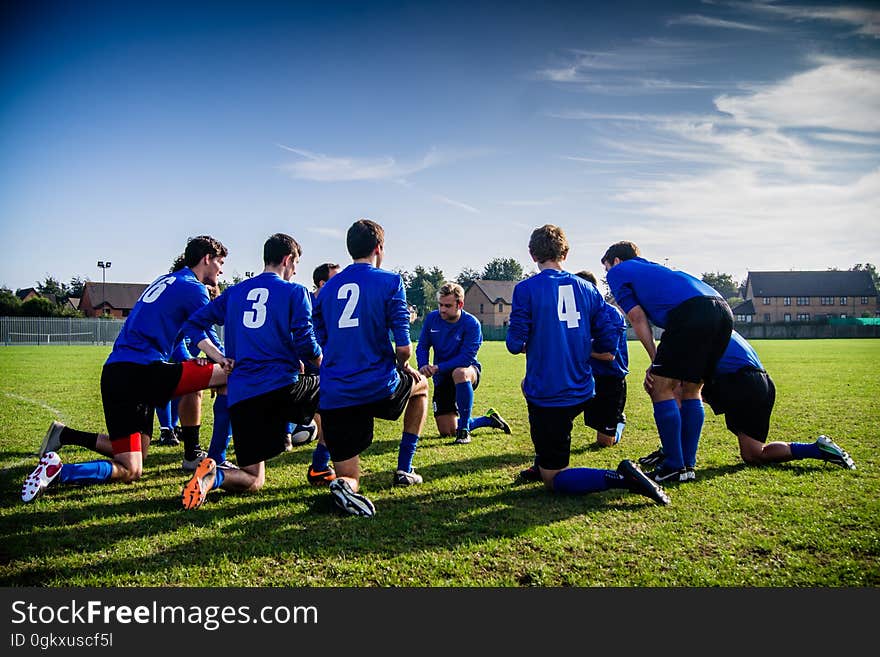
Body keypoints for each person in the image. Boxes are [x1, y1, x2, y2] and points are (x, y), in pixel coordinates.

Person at [22, 236, 230, 503]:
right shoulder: (193, 288)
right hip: (142, 372)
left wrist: (198, 364)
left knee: (132, 466)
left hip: (116, 374)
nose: (221, 270)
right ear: (206, 259)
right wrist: (224, 361)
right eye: (220, 263)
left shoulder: (165, 282)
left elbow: (173, 340)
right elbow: (206, 332)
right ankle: (207, 457)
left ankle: (58, 469)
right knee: (229, 373)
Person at [506, 225, 669, 506]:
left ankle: (621, 478)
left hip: (549, 393)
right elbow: (610, 333)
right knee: (537, 401)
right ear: (565, 253)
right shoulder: (588, 289)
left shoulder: (526, 289)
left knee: (554, 479)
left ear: (532, 255)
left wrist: (534, 341)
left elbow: (513, 343)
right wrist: (585, 347)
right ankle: (544, 457)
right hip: (584, 387)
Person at [179, 233, 322, 509]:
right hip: (281, 388)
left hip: (243, 396)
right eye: (295, 265)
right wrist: (324, 363)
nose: (295, 272)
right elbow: (306, 343)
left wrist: (218, 357)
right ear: (287, 259)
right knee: (335, 394)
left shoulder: (235, 293)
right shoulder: (295, 292)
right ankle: (324, 466)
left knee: (253, 478)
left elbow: (192, 325)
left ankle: (213, 476)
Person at [312, 218, 429, 517]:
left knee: (350, 475)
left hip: (336, 392)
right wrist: (403, 366)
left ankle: (344, 487)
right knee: (423, 388)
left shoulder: (325, 290)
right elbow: (404, 348)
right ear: (379, 248)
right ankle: (405, 467)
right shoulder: (391, 281)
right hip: (377, 386)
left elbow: (320, 341)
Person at [602, 241, 733, 483]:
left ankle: (673, 464)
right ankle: (687, 466)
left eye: (607, 268)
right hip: (722, 309)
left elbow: (637, 317)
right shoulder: (652, 270)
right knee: (691, 389)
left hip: (692, 312)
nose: (608, 275)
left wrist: (655, 359)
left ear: (616, 261)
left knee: (659, 386)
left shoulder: (620, 271)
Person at [639, 331, 856, 471]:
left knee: (673, 390)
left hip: (738, 381)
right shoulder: (716, 322)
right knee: (754, 454)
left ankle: (673, 455)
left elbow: (680, 380)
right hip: (763, 383)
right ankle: (815, 449)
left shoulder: (691, 328)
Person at [416, 281, 511, 444]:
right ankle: (488, 419)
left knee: (460, 372)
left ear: (460, 304)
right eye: (440, 305)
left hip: (468, 372)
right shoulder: (432, 318)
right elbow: (423, 346)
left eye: (447, 305)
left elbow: (466, 358)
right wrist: (423, 365)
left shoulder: (471, 323)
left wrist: (438, 367)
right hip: (442, 376)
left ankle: (464, 431)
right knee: (447, 431)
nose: (442, 309)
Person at [301, 261, 342, 485]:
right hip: (305, 369)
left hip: (328, 369)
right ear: (322, 283)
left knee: (331, 417)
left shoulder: (337, 305)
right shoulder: (303, 300)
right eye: (335, 279)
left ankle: (319, 466)